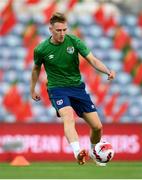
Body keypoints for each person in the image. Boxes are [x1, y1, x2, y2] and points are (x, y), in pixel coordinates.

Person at [30, 12, 115, 166]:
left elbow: (92, 60)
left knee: (97, 127)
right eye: (58, 30)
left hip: (77, 88)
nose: (62, 33)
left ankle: (93, 152)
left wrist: (108, 71)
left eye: (64, 30)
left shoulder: (74, 41)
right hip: (57, 89)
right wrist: (32, 89)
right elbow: (36, 69)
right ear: (51, 29)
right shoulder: (41, 49)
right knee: (68, 117)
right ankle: (77, 153)